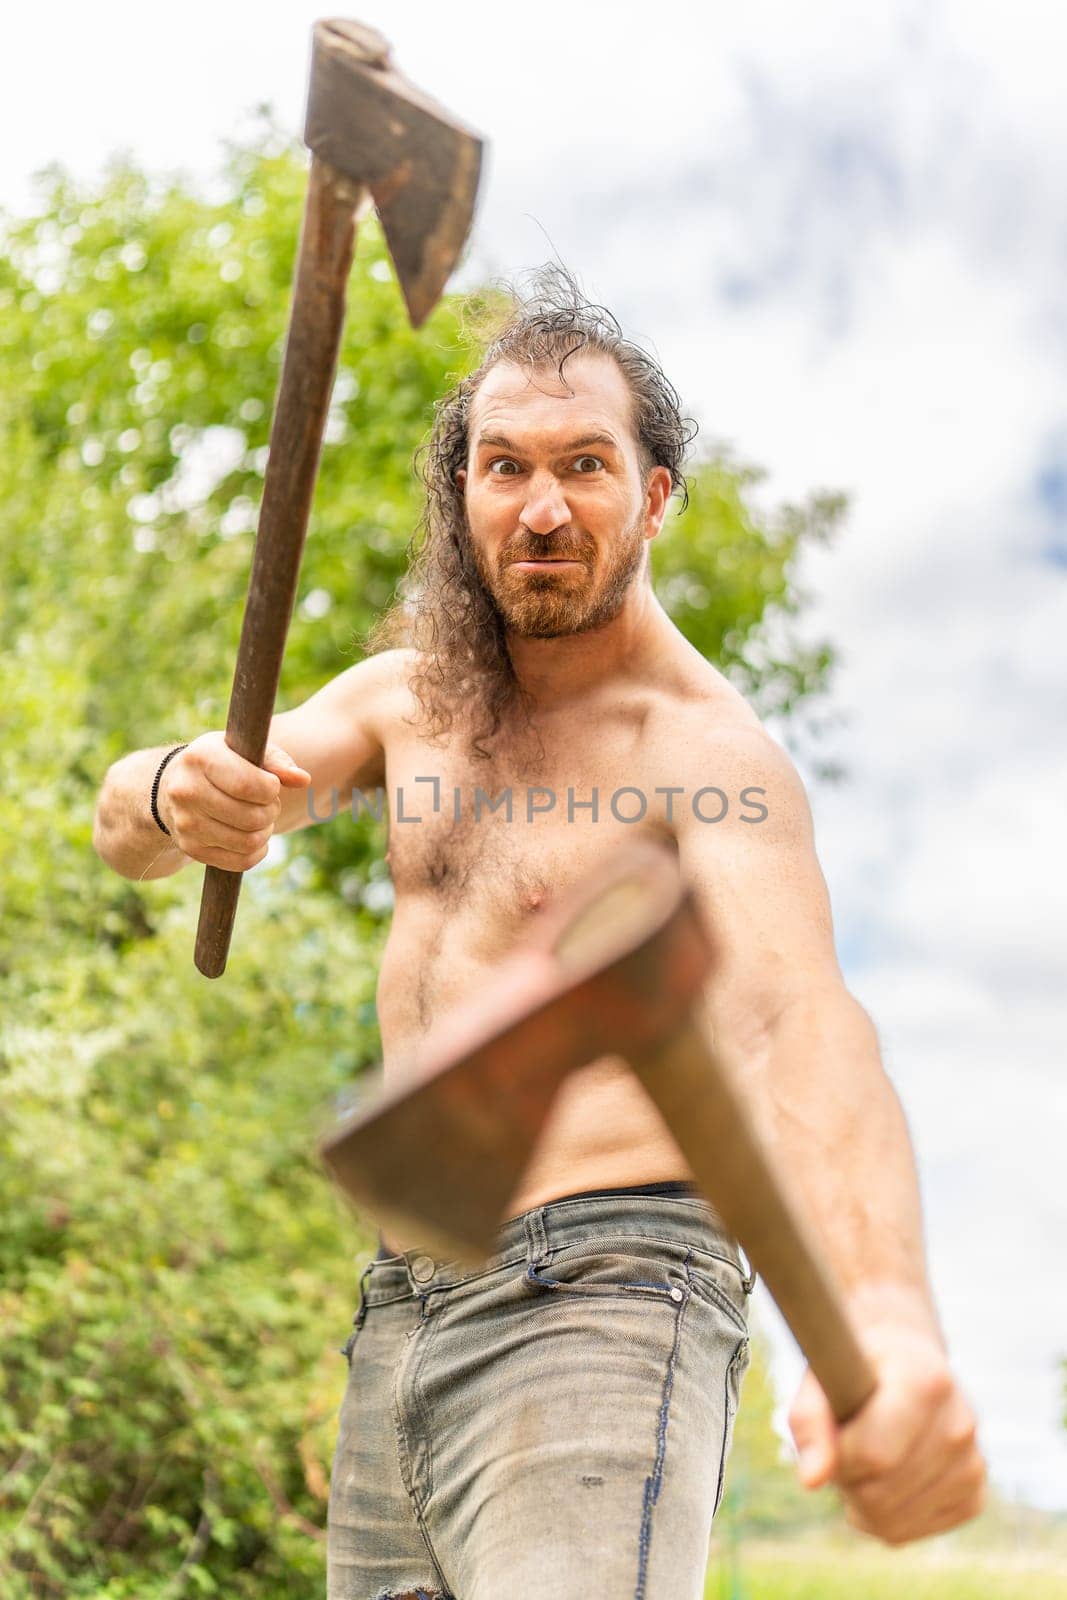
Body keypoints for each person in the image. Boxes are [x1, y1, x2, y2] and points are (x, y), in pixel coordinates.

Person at [93, 267, 986, 1599]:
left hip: (610, 1294)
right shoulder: (410, 702)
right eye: (504, 467)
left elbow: (802, 1026)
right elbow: (134, 828)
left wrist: (889, 1319)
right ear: (463, 496)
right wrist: (180, 789)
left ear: (656, 494)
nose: (545, 507)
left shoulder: (705, 756)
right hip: (403, 1312)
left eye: (585, 465)